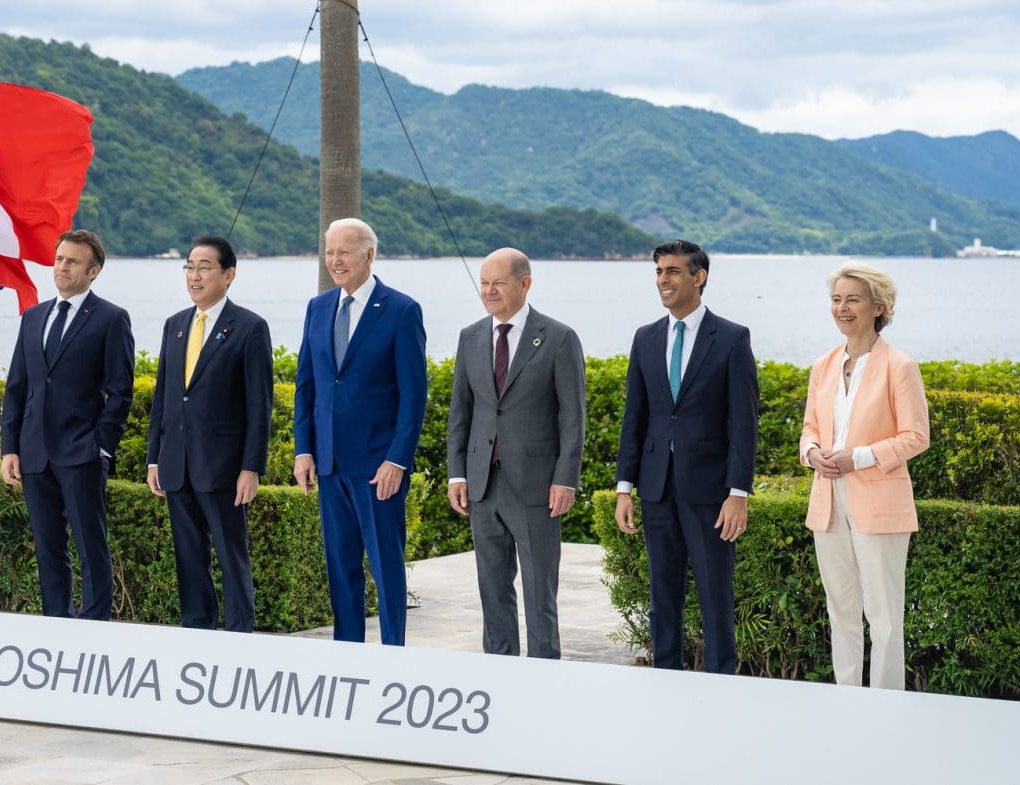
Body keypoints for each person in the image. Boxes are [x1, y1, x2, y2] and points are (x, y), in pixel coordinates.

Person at [614, 239, 758, 674]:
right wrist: (625, 488)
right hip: (656, 488)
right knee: (663, 595)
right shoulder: (646, 338)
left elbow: (744, 422)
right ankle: (666, 682)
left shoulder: (732, 338)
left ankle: (721, 684)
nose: (663, 280)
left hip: (711, 491)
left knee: (715, 595)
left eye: (673, 271)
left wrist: (738, 492)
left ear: (700, 277)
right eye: (659, 272)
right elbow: (634, 417)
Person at [293, 217, 427, 646]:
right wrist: (304, 451)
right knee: (340, 566)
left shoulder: (402, 309)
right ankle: (347, 655)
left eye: (343, 252)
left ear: (369, 254)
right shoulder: (318, 308)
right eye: (329, 252)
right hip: (329, 464)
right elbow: (307, 386)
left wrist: (397, 459)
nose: (334, 260)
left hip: (378, 467)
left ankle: (393, 655)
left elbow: (413, 395)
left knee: (386, 566)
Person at [446, 248, 585, 658]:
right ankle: (500, 677)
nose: (488, 290)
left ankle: (544, 678)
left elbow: (572, 418)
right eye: (484, 282)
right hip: (483, 486)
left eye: (498, 283)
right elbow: (461, 412)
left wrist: (565, 478)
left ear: (524, 283)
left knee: (540, 595)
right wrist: (458, 475)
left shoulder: (559, 338)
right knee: (492, 591)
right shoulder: (470, 337)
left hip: (538, 488)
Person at [800, 263, 928, 690]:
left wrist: (858, 457)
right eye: (837, 299)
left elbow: (915, 436)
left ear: (879, 307)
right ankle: (848, 701)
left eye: (852, 299)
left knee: (886, 617)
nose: (842, 308)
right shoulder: (824, 364)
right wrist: (812, 453)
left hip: (880, 504)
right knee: (841, 610)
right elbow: (810, 429)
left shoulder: (900, 366)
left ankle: (886, 704)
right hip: (828, 502)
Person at [1, 229, 134, 621]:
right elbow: (18, 387)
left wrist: (101, 445)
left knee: (92, 546)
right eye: (60, 259)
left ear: (93, 272)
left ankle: (94, 626)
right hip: (34, 453)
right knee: (48, 547)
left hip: (82, 452)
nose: (62, 267)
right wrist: (10, 447)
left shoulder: (111, 318)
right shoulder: (34, 316)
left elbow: (120, 393)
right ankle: (56, 624)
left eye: (73, 261)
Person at [146, 235, 274, 632]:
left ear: (228, 274)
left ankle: (239, 633)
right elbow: (165, 398)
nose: (195, 275)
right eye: (189, 266)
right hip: (177, 463)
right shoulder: (176, 325)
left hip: (223, 467)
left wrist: (251, 467)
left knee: (232, 555)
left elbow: (259, 406)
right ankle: (197, 629)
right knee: (188, 555)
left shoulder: (249, 327)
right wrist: (154, 457)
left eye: (204, 267)